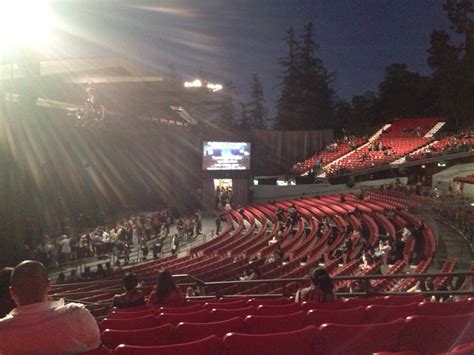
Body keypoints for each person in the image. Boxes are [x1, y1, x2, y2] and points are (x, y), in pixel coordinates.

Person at [0, 261, 100, 354]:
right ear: (49, 285)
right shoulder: (78, 315)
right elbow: (95, 347)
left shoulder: (2, 331)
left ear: (12, 292)